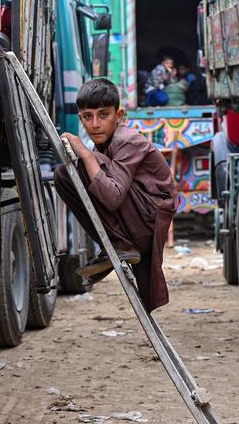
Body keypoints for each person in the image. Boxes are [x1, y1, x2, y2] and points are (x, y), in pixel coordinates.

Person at [54, 78, 179, 312]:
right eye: (88, 116)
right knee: (64, 175)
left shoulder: (127, 141)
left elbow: (113, 197)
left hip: (148, 224)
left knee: (88, 166)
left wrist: (87, 155)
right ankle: (115, 243)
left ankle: (122, 243)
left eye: (103, 115)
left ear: (119, 116)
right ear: (81, 118)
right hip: (137, 219)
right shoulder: (106, 144)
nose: (95, 124)